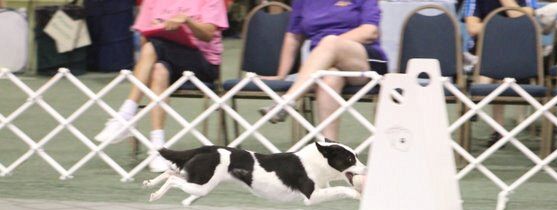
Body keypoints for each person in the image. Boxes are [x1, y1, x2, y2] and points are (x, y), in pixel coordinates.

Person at [95, 0, 228, 172]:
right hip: (166, 57)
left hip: (203, 62)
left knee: (153, 47)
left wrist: (186, 20)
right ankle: (158, 149)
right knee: (158, 69)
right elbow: (144, 40)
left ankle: (125, 115)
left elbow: (208, 34)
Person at [259, 0, 388, 141]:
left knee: (330, 41)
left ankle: (287, 101)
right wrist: (281, 75)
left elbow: (370, 31)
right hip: (323, 63)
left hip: (364, 59)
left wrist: (329, 46)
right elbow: (293, 37)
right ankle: (329, 149)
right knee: (329, 81)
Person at [464, 0, 536, 146]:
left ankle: (478, 98)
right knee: (493, 59)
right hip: (486, 52)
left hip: (518, 51)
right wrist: (503, 28)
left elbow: (525, 18)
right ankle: (497, 129)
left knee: (497, 63)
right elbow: (472, 28)